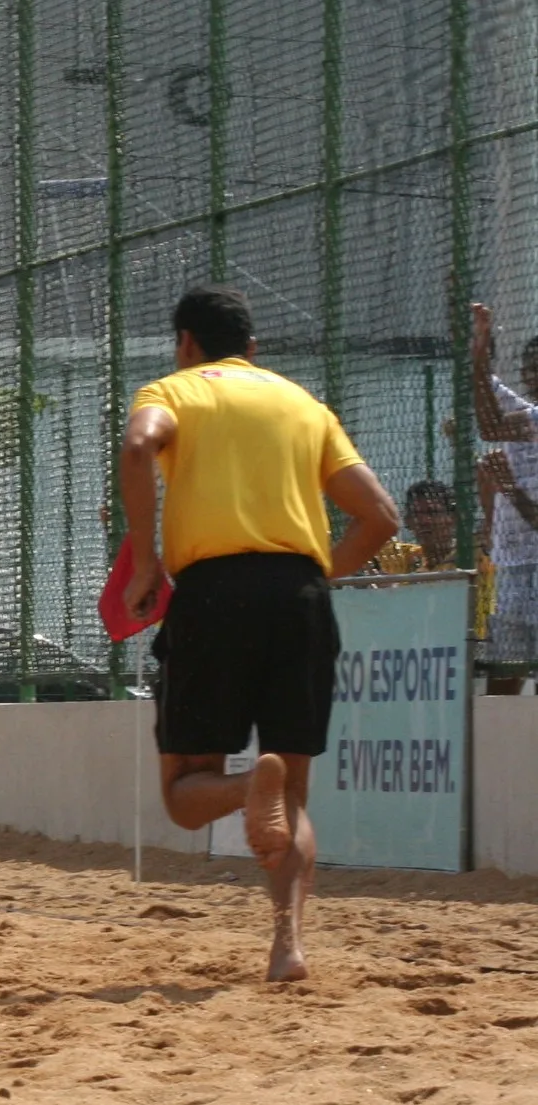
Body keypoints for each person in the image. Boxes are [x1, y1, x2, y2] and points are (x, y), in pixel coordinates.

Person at [120, 284, 398, 983]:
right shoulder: (304, 404)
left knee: (186, 792)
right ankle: (287, 947)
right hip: (298, 597)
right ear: (253, 348)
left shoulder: (174, 389)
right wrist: (312, 578)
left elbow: (137, 446)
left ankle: (247, 787)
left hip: (212, 595)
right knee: (292, 793)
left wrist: (147, 560)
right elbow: (381, 517)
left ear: (185, 342)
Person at [470, 302, 538, 693]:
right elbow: (488, 419)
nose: (532, 374)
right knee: (503, 682)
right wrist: (480, 355)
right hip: (513, 570)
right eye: (529, 367)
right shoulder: (528, 414)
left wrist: (508, 486)